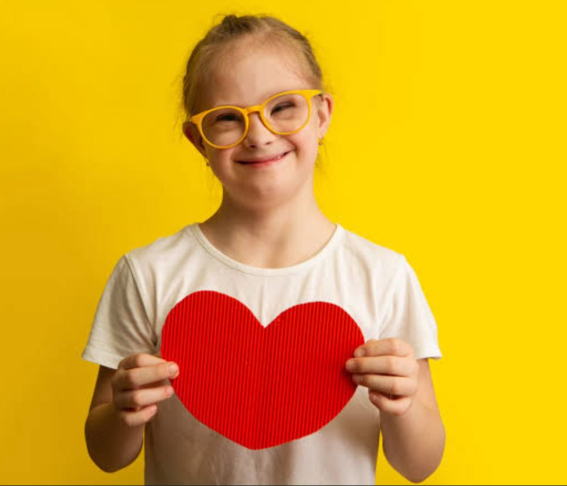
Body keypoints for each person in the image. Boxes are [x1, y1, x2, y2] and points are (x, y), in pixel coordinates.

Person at [82, 13, 445, 485]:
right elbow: (106, 453)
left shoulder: (382, 276)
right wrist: (123, 411)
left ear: (322, 116)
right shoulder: (148, 274)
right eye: (227, 118)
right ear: (198, 141)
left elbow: (420, 464)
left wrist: (403, 405)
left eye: (283, 107)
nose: (258, 134)